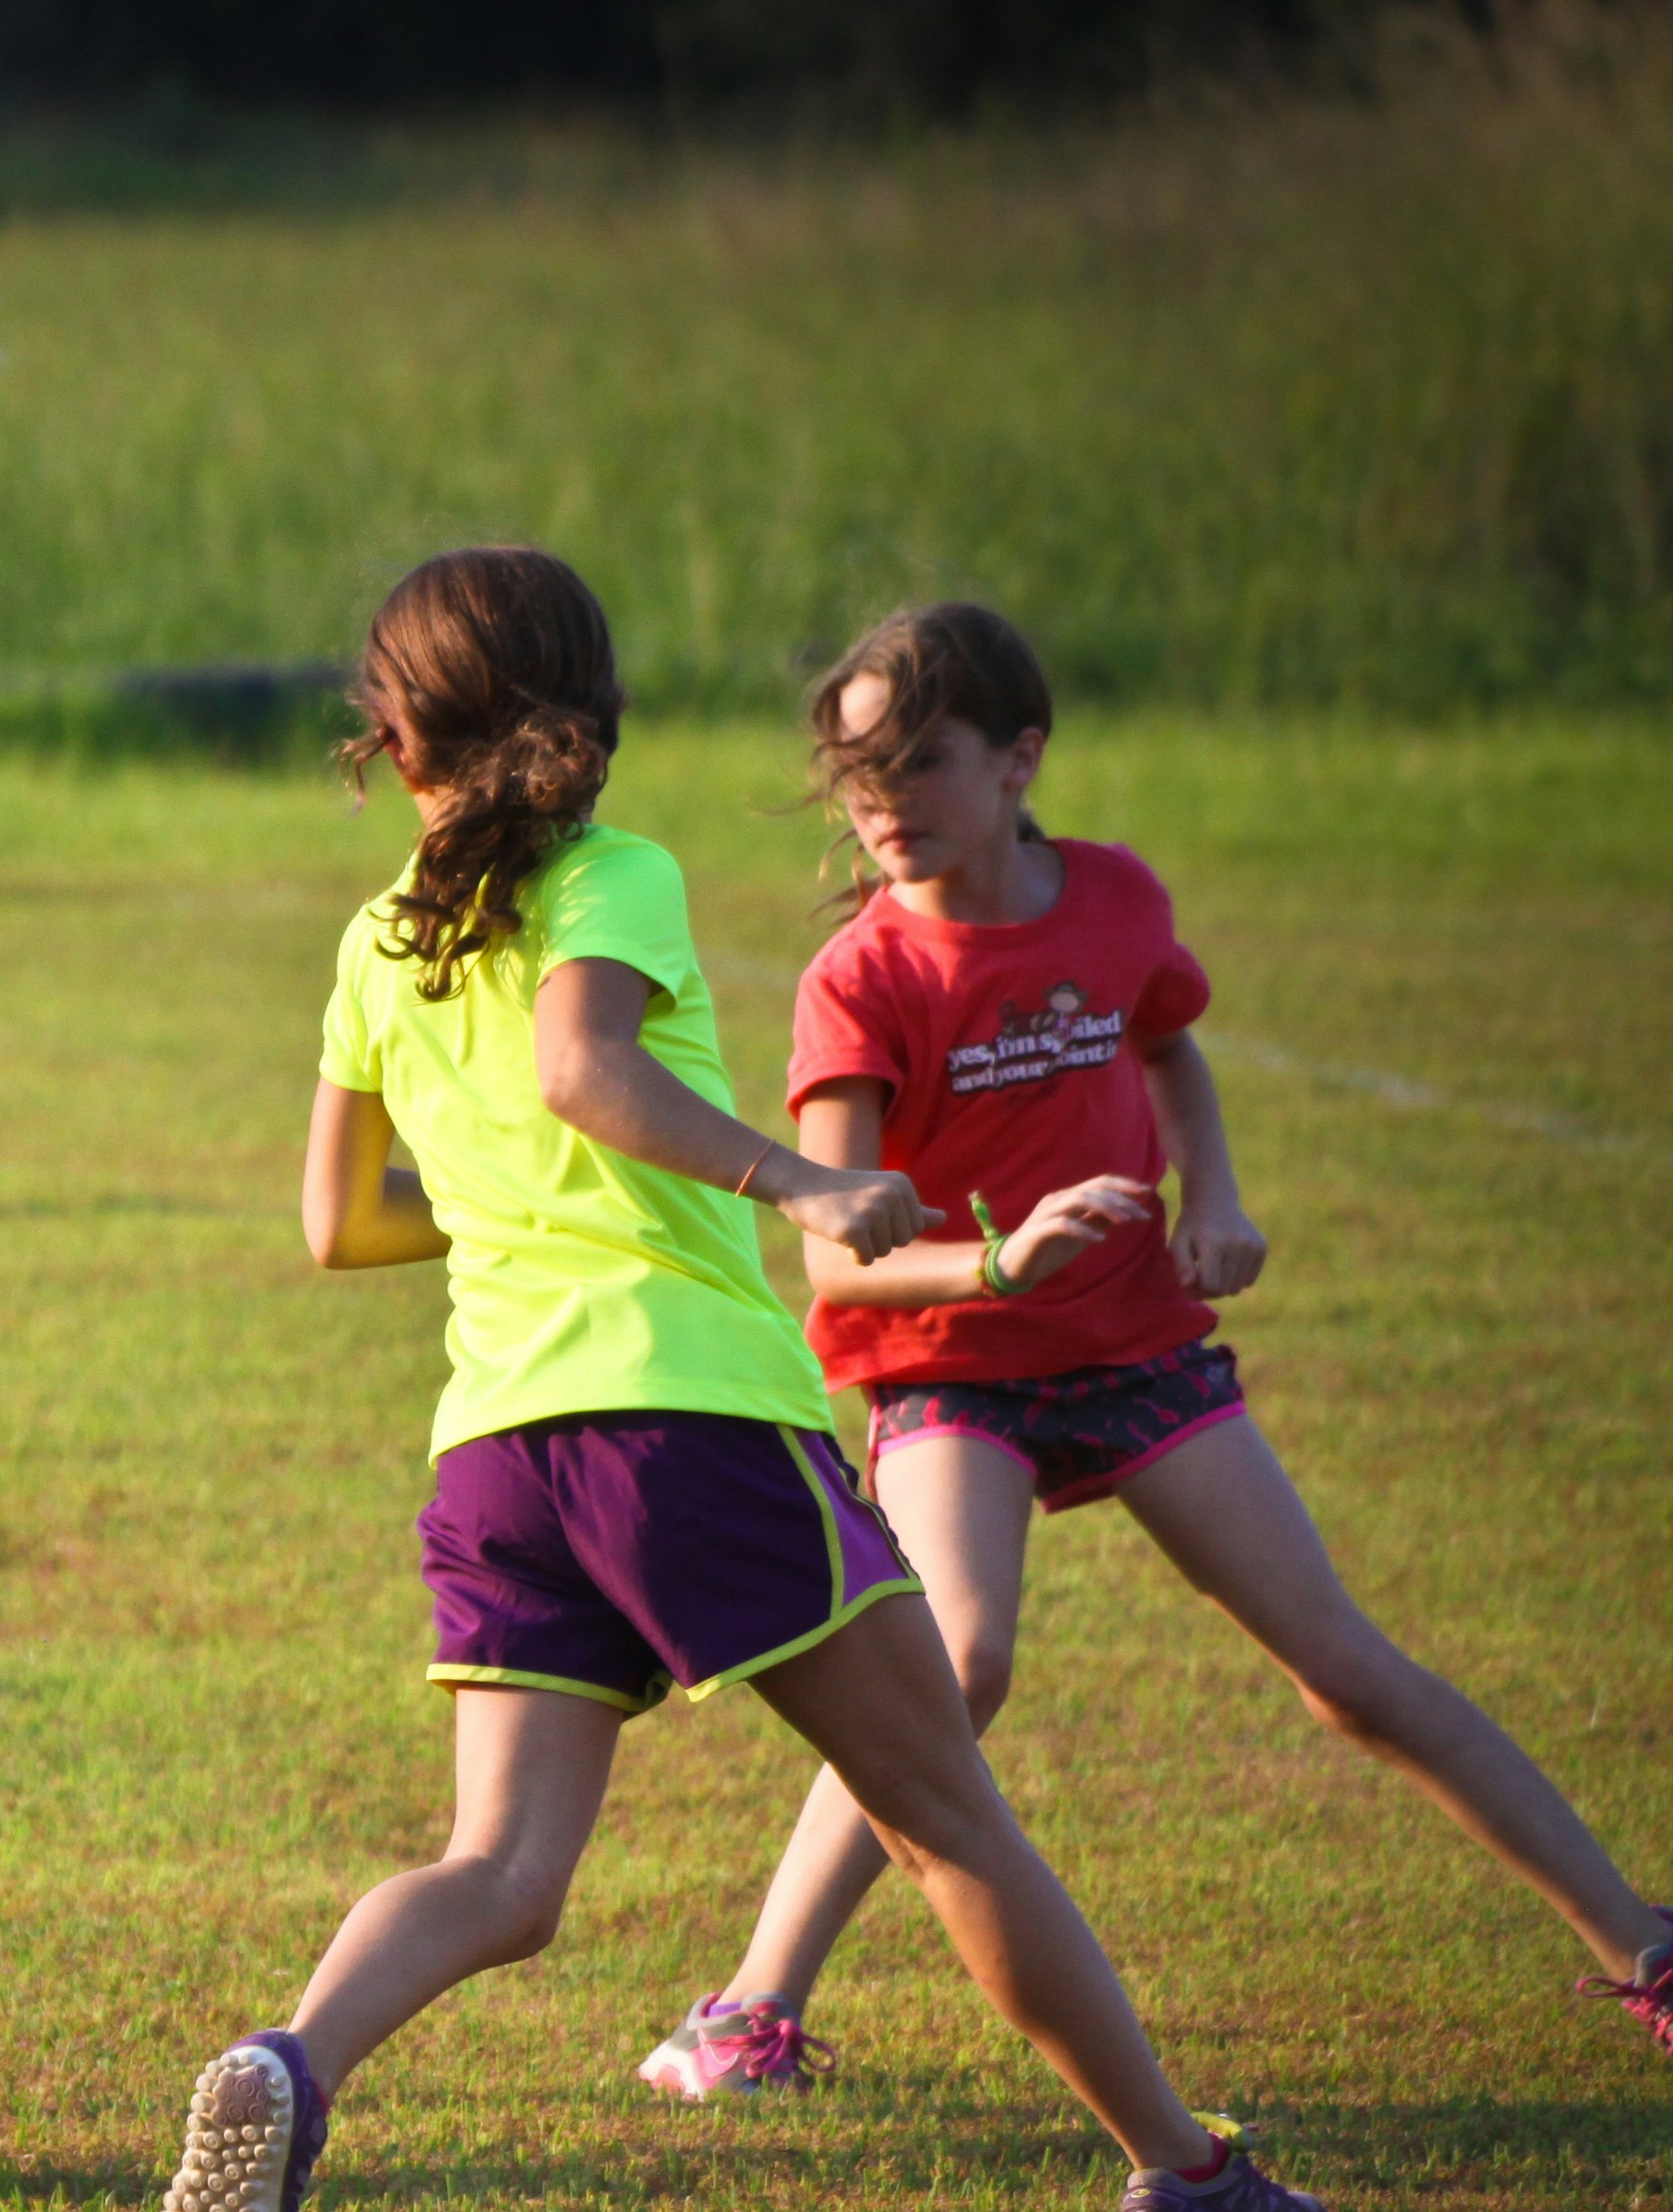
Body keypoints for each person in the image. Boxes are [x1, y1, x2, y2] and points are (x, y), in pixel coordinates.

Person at [158, 547, 1343, 2212]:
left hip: (498, 1444)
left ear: (399, 743)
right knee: (945, 1810)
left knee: (499, 1871)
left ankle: (290, 2060)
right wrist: (794, 1176)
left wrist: (501, 1211)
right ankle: (1188, 2178)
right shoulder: (610, 873)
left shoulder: (374, 934)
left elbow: (336, 1221)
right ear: (589, 725)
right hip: (682, 1414)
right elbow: (580, 1068)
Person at [631, 603, 1671, 2097]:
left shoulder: (1111, 902)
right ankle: (745, 2013)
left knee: (1344, 1672)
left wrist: (1220, 1198)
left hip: (1133, 1342)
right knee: (959, 1660)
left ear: (1019, 759)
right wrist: (1003, 1256)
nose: (882, 801)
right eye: (856, 771)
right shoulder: (857, 980)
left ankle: (1643, 1946)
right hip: (947, 1358)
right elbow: (827, 1245)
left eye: (921, 761)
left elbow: (1168, 1041)